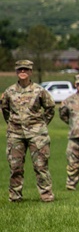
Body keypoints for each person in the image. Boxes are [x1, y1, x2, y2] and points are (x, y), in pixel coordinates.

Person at [1, 59, 56, 203]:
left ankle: (46, 196)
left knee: (41, 166)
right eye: (20, 69)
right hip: (15, 134)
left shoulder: (39, 90)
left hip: (37, 135)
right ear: (16, 72)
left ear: (31, 72)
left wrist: (41, 124)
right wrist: (13, 124)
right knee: (15, 167)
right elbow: (5, 109)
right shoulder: (9, 91)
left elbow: (50, 108)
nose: (22, 72)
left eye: (25, 69)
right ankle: (15, 196)